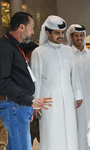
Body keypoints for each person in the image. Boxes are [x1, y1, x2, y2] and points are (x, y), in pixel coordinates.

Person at [0, 12, 53, 150]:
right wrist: (28, 102)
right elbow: (3, 81)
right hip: (14, 106)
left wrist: (27, 105)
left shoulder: (16, 46)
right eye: (32, 27)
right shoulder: (4, 47)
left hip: (19, 106)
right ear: (22, 27)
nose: (33, 32)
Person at [31, 15, 83, 150]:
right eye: (57, 33)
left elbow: (74, 75)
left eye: (62, 33)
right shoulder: (39, 52)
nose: (61, 36)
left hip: (68, 98)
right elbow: (35, 79)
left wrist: (78, 94)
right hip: (48, 101)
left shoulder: (68, 50)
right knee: (51, 133)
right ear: (47, 32)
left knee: (70, 130)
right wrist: (35, 103)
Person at [66, 24, 90, 150]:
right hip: (73, 100)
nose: (79, 38)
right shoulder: (67, 55)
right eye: (76, 35)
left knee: (89, 128)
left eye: (81, 35)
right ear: (71, 37)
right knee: (75, 128)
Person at [23, 42, 40, 146]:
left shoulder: (35, 65)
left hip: (38, 106)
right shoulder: (24, 66)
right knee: (29, 137)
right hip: (29, 105)